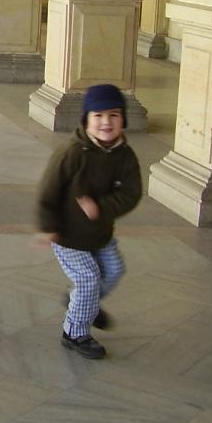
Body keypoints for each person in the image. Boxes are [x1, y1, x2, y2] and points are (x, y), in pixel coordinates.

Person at [34, 83, 142, 360]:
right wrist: (48, 228)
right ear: (86, 120)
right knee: (88, 278)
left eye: (114, 115)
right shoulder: (71, 153)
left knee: (114, 270)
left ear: (123, 119)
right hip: (68, 235)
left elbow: (131, 194)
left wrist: (102, 207)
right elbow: (48, 192)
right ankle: (75, 332)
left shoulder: (125, 155)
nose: (106, 122)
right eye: (98, 115)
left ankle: (82, 303)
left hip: (100, 234)